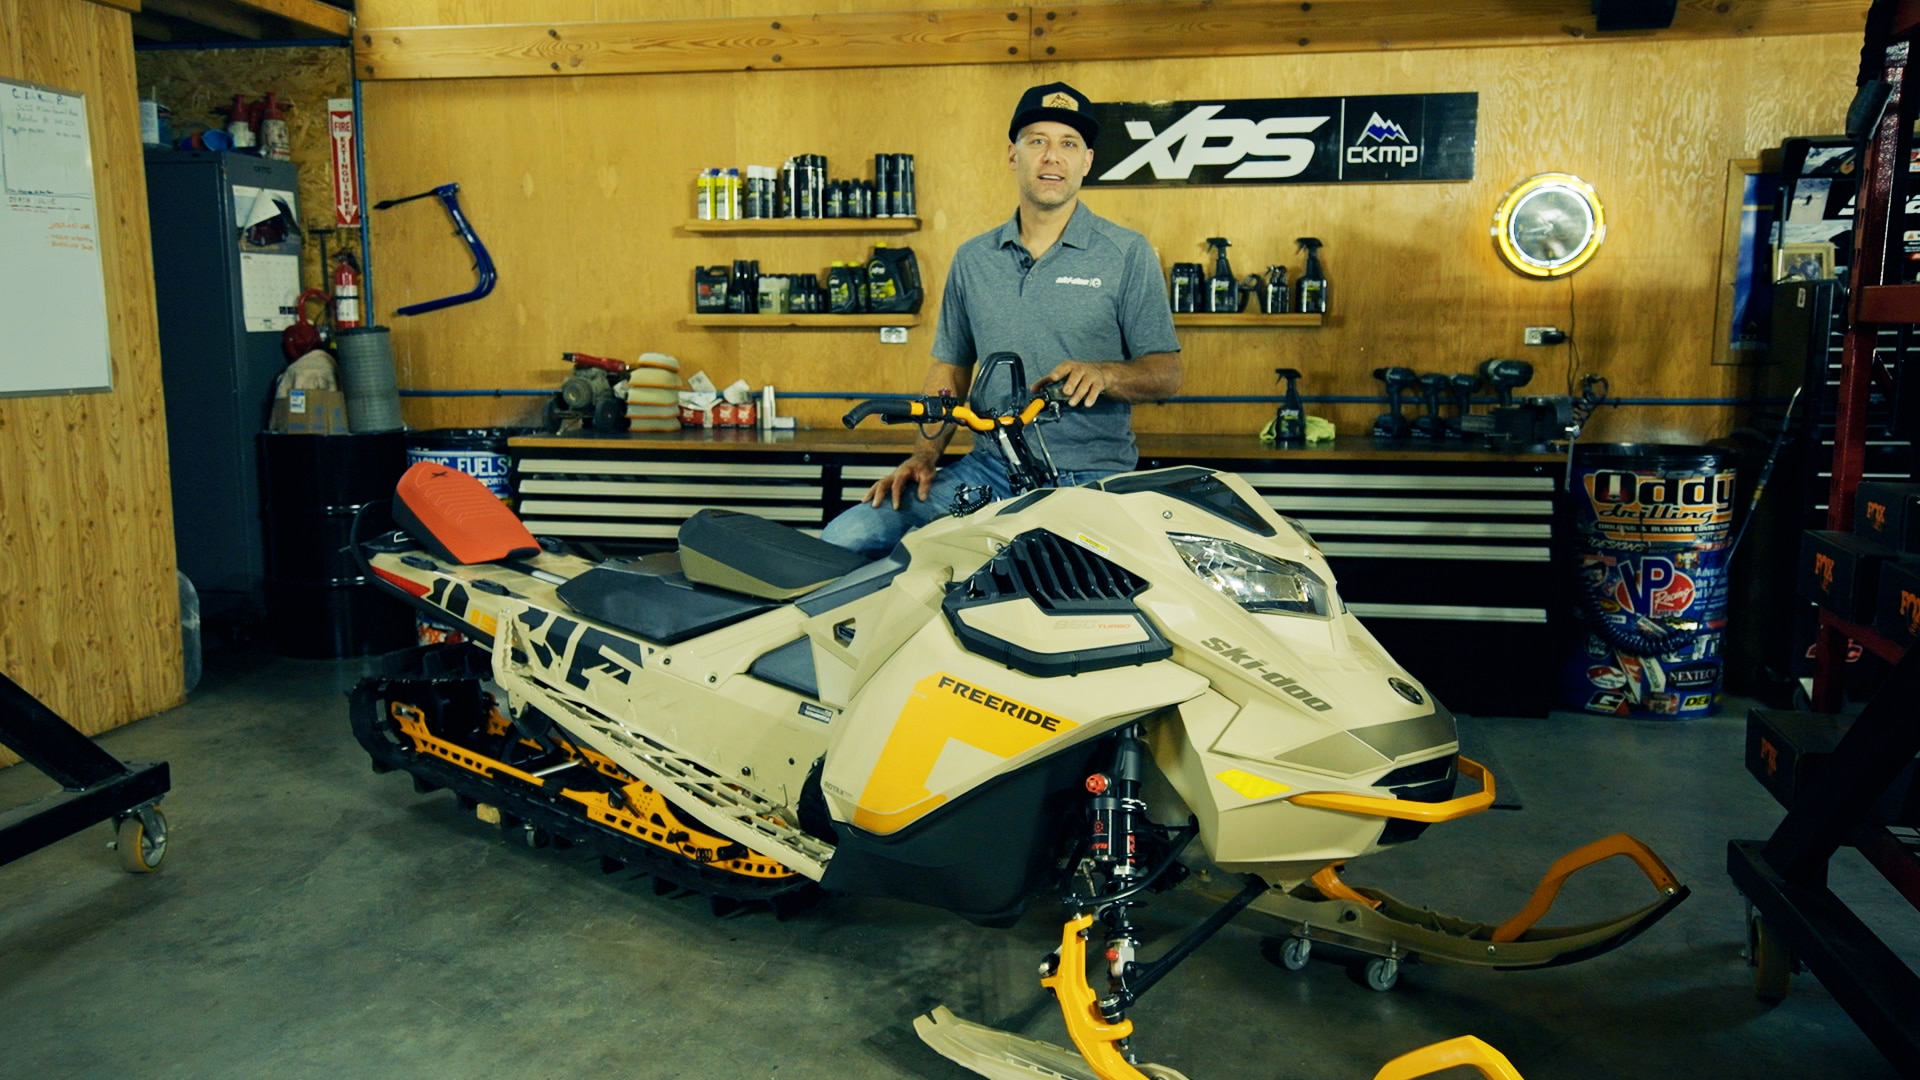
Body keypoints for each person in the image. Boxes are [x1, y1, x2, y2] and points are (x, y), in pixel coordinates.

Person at [821, 82, 1182, 557]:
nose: (1053, 157)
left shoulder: (1125, 253)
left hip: (1091, 477)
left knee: (1051, 593)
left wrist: (1104, 373)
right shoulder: (974, 259)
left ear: (1086, 162)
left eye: (1069, 144)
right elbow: (949, 368)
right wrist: (923, 457)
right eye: (1037, 141)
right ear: (1013, 155)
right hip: (988, 470)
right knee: (845, 539)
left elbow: (1166, 373)